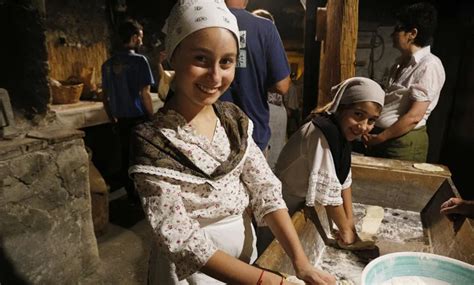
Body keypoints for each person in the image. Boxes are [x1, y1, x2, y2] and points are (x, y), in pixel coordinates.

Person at [128, 1, 335, 284]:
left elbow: (266, 191)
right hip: (194, 273)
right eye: (201, 59)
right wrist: (269, 281)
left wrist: (302, 263)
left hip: (245, 259)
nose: (215, 76)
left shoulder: (233, 122)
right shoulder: (153, 141)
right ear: (171, 58)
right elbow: (182, 239)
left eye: (226, 62)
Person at [273, 77, 385, 250]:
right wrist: (347, 235)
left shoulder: (341, 133)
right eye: (358, 115)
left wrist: (351, 225)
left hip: (298, 204)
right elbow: (329, 196)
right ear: (341, 108)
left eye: (371, 120)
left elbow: (343, 181)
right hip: (283, 207)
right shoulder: (322, 133)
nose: (363, 127)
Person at [363, 2, 445, 162]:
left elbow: (414, 116)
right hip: (385, 138)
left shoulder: (429, 65)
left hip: (403, 143)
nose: (392, 34)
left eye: (398, 29)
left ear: (412, 33)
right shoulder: (401, 62)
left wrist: (381, 138)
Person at [221, 0, 291, 152]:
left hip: (211, 133)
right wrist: (255, 79)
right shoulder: (265, 28)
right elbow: (282, 86)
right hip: (252, 135)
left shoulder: (203, 22)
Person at [101, 19, 155, 201]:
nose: (141, 41)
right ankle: (144, 196)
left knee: (125, 157)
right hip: (139, 119)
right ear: (134, 38)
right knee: (142, 158)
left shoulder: (107, 65)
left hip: (120, 120)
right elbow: (145, 94)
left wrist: (112, 119)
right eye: (140, 37)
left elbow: (105, 97)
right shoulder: (140, 61)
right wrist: (153, 117)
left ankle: (131, 195)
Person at [251, 8, 288, 169]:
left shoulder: (259, 45)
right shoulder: (272, 45)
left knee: (266, 161)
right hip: (272, 108)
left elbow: (282, 86)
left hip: (269, 107)